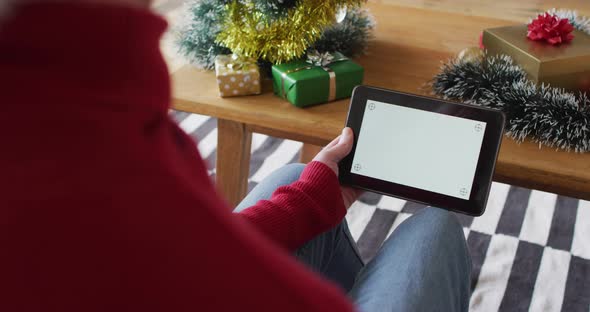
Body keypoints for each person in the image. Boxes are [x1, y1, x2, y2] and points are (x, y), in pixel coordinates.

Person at [0, 0, 471, 311]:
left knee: (296, 176)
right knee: (435, 229)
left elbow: (179, 257)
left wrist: (308, 202)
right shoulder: (85, 167)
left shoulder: (53, 117)